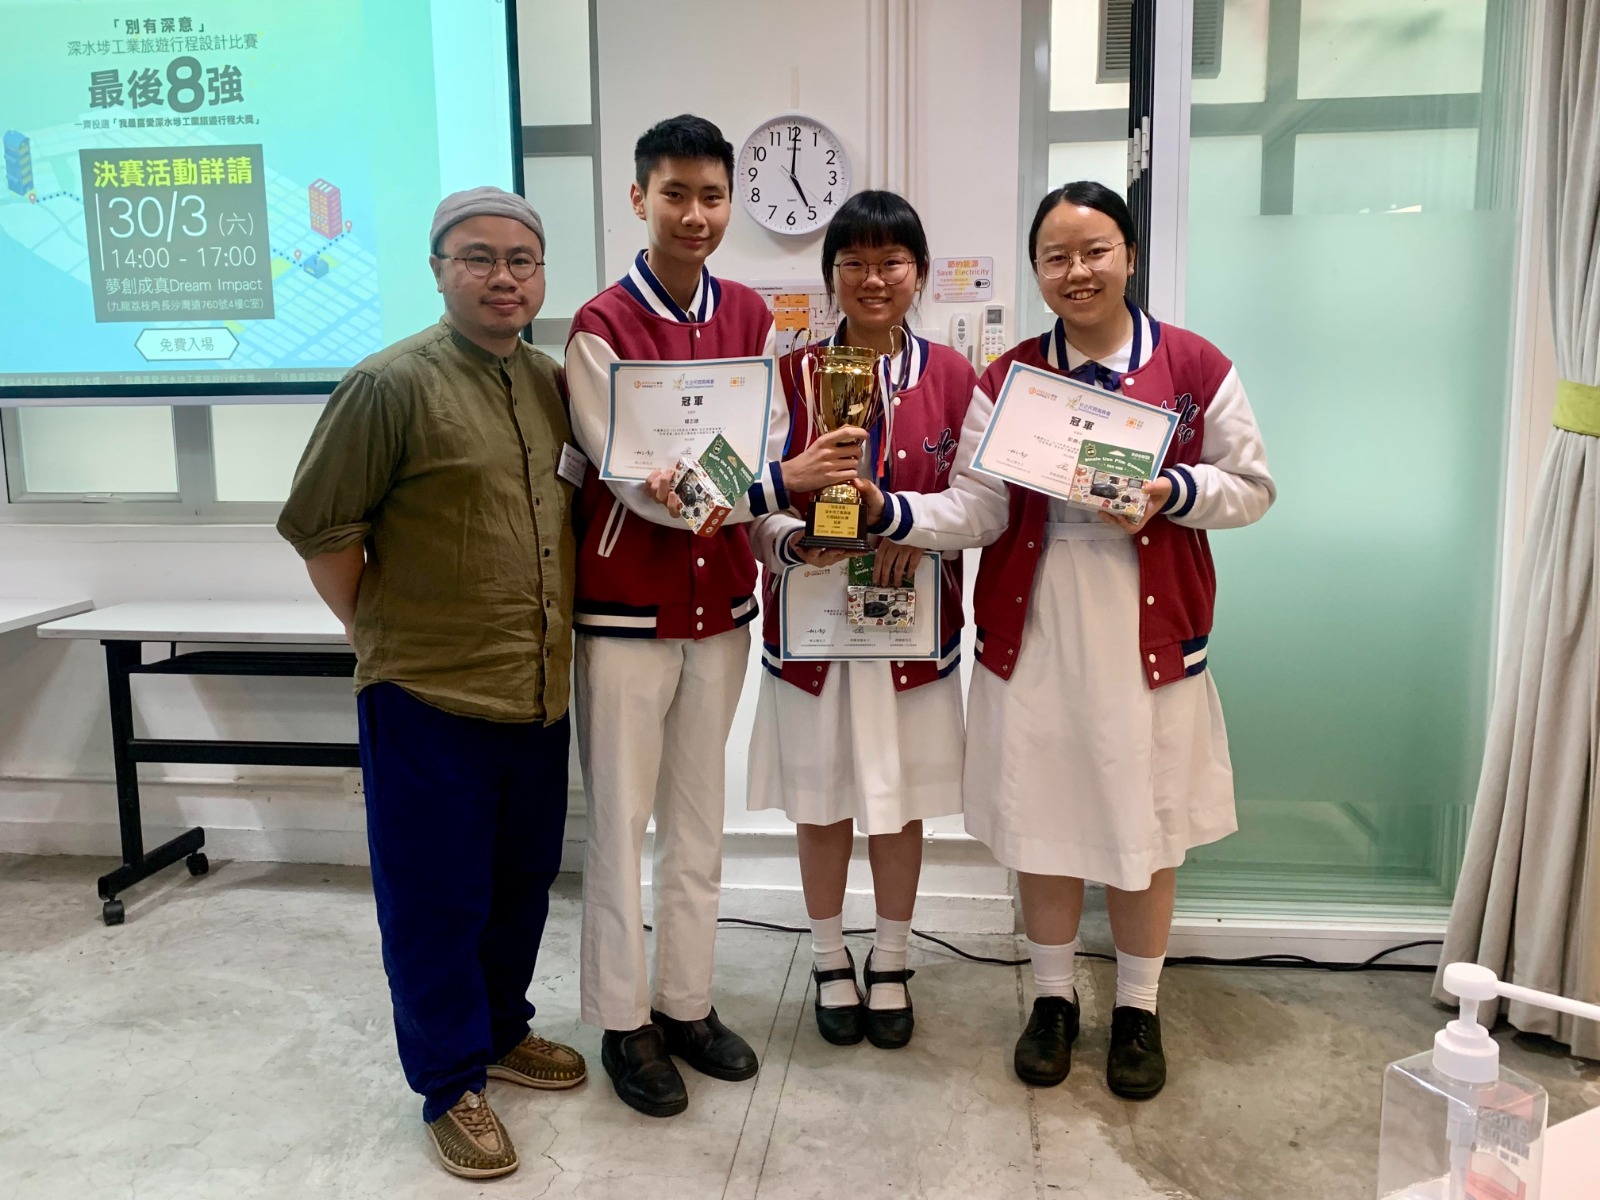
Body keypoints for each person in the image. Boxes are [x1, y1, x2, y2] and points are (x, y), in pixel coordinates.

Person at [861, 181, 1275, 1099]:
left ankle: (1138, 1009)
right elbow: (980, 509)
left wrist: (1171, 494)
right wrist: (894, 513)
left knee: (1146, 825)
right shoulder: (1009, 379)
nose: (1077, 271)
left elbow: (1251, 487)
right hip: (1037, 623)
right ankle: (1052, 1000)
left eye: (1095, 252)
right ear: (1038, 271)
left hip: (1147, 631)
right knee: (1041, 821)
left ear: (1129, 256)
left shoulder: (1194, 365)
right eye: (1056, 257)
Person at [278, 186, 584, 1179]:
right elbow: (323, 531)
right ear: (439, 270)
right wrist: (386, 633)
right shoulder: (388, 385)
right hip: (426, 697)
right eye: (478, 258)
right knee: (435, 900)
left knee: (520, 884)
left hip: (536, 693)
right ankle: (450, 1082)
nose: (503, 277)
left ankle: (498, 1030)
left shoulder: (552, 382)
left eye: (521, 260)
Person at [564, 114, 861, 1117]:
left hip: (721, 608)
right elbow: (639, 488)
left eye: (711, 196)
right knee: (622, 824)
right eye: (675, 194)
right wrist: (767, 484)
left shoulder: (748, 316)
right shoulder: (600, 327)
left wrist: (784, 532)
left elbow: (760, 457)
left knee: (698, 820)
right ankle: (622, 1020)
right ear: (637, 199)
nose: (695, 214)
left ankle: (685, 1004)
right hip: (624, 613)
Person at [745, 190, 976, 1050]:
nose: (872, 279)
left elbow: (982, 504)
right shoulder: (789, 375)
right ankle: (827, 955)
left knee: (899, 804)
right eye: (853, 263)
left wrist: (910, 523)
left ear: (920, 272)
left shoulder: (955, 378)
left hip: (910, 630)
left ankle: (893, 957)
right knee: (820, 800)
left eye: (891, 262)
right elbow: (752, 503)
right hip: (812, 624)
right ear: (829, 273)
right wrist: (793, 542)